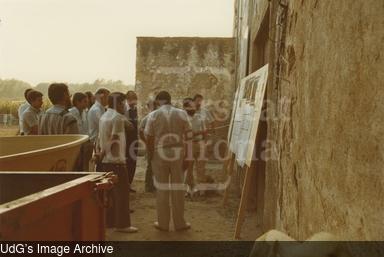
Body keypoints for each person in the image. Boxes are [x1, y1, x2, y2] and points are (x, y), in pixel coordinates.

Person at [144, 91, 192, 231]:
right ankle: (180, 223)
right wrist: (188, 156)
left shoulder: (153, 115)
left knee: (162, 189)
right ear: (170, 100)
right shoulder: (182, 113)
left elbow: (149, 138)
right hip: (178, 152)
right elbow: (189, 135)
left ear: (158, 101)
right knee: (178, 189)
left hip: (160, 152)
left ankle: (163, 223)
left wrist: (151, 156)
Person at [96, 92, 138, 233]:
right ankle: (123, 224)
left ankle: (110, 222)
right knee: (122, 194)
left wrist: (101, 154)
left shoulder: (104, 116)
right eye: (123, 103)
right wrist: (102, 154)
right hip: (116, 160)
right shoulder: (117, 118)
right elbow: (114, 139)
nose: (125, 106)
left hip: (107, 160)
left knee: (110, 194)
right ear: (119, 103)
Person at [182, 97, 209, 195]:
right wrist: (196, 133)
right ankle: (188, 190)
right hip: (188, 144)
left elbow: (205, 132)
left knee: (201, 168)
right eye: (191, 107)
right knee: (188, 168)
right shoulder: (183, 119)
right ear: (185, 108)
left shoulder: (199, 117)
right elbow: (185, 134)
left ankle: (201, 191)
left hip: (200, 143)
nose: (193, 108)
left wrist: (204, 142)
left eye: (194, 106)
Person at [139, 98, 158, 193]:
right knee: (151, 166)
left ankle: (152, 185)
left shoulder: (150, 117)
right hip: (152, 144)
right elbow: (140, 130)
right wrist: (146, 141)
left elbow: (140, 130)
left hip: (155, 144)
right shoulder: (149, 117)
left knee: (153, 166)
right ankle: (149, 186)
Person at [69, 92, 92, 171]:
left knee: (84, 166)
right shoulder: (70, 113)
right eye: (85, 101)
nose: (87, 103)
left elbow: (86, 129)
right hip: (75, 144)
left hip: (84, 144)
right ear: (77, 102)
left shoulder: (84, 113)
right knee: (76, 166)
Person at [124, 90, 139, 192]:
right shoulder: (125, 110)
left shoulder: (136, 110)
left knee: (133, 162)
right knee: (127, 162)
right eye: (133, 99)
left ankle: (129, 183)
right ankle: (126, 184)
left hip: (134, 139)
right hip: (127, 140)